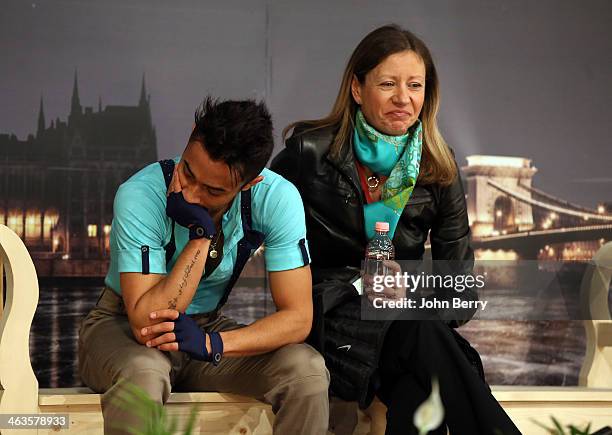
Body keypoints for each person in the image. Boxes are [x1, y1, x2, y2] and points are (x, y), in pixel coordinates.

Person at [271, 25, 521, 434]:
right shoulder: (309, 154)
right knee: (426, 346)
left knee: (417, 378)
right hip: (331, 323)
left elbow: (460, 294)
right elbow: (241, 217)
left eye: (415, 86)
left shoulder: (438, 166)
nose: (403, 99)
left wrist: (408, 291)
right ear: (357, 88)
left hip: (402, 329)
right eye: (388, 84)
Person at [78, 97, 329, 435]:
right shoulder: (141, 194)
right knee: (144, 374)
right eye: (188, 172)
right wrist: (200, 235)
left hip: (204, 328)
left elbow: (298, 318)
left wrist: (214, 344)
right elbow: (146, 324)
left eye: (213, 190)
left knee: (307, 371)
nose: (192, 195)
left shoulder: (276, 197)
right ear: (192, 134)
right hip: (121, 327)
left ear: (250, 183)